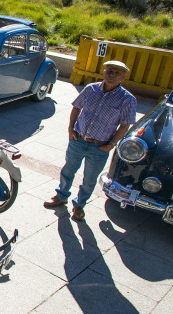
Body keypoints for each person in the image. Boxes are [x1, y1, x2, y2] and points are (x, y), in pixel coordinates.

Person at [44, 60, 136, 221]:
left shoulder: (127, 99)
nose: (112, 75)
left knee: (90, 178)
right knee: (68, 170)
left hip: (100, 146)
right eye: (109, 71)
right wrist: (70, 129)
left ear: (124, 76)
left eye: (117, 73)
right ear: (104, 72)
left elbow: (124, 126)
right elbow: (76, 108)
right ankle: (61, 196)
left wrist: (111, 145)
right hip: (78, 139)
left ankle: (79, 206)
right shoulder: (91, 89)